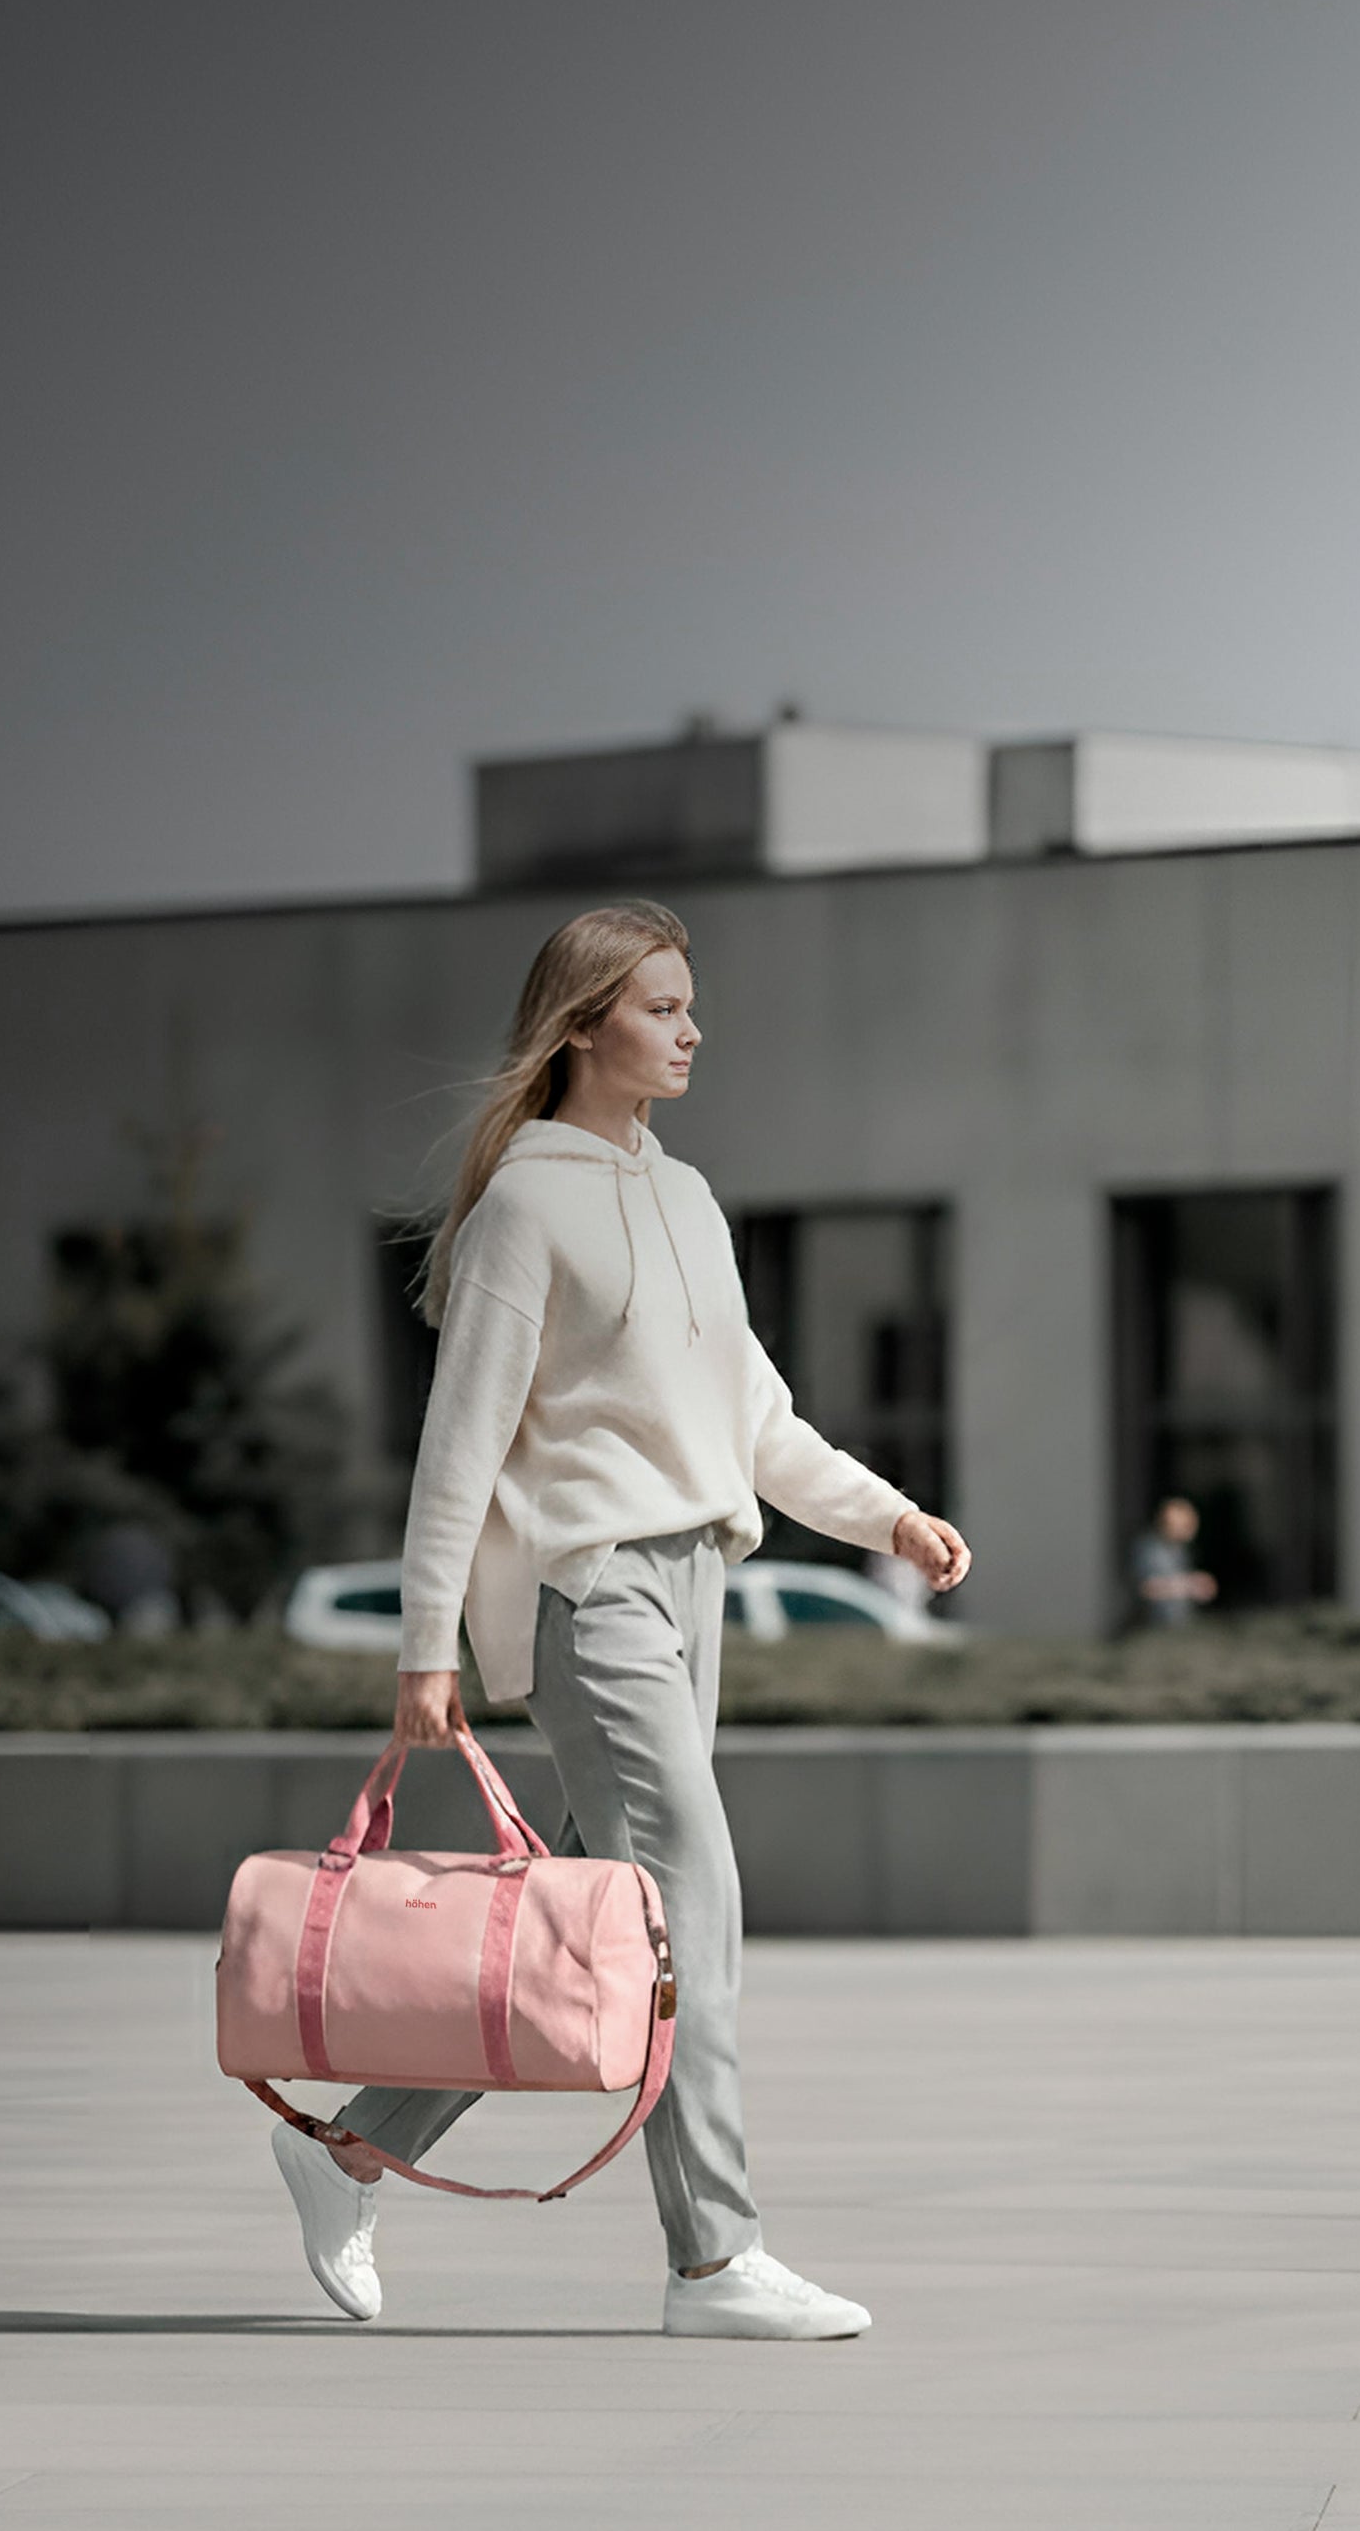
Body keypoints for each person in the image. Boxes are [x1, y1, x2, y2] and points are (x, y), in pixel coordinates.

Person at [272, 902, 971, 2336]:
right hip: (592, 1598)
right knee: (687, 1901)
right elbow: (458, 1447)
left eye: (688, 1004)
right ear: (584, 1025)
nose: (692, 1029)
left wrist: (887, 1516)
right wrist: (425, 1648)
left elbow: (755, 1420)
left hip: (695, 1583)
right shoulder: (524, 1211)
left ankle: (348, 2146)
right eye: (662, 1007)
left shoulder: (690, 1200)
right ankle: (713, 2258)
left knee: (582, 1918)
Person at [1131, 1495, 1217, 1630]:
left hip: (1177, 1624)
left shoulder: (1179, 1549)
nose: (1191, 1530)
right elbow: (1145, 1588)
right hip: (1154, 1627)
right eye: (1186, 1525)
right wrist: (1190, 1586)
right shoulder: (1150, 1549)